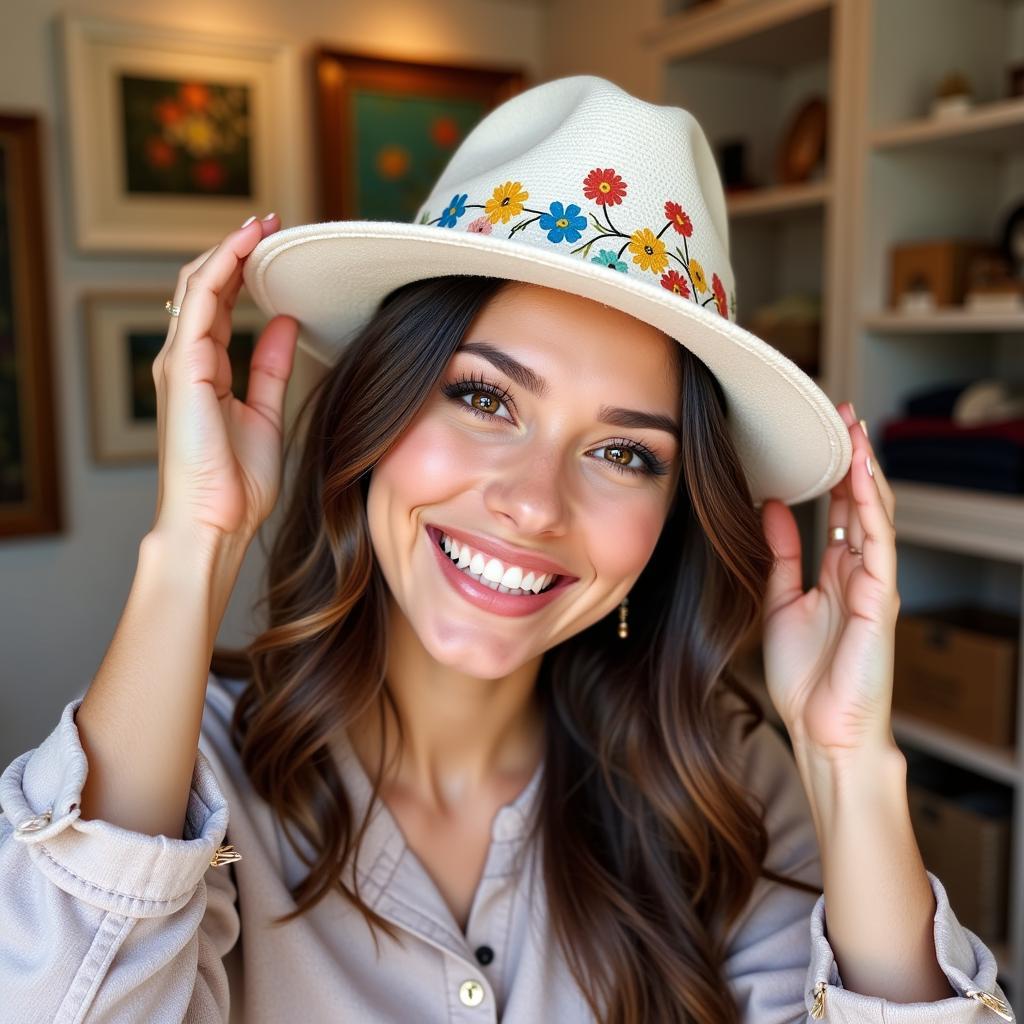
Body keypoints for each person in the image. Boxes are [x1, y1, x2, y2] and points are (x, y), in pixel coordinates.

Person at [0, 76, 1013, 1024]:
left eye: (623, 452)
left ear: (673, 514)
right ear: (374, 416)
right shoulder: (188, 779)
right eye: (484, 398)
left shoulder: (719, 781)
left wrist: (847, 763)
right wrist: (195, 543)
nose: (533, 504)